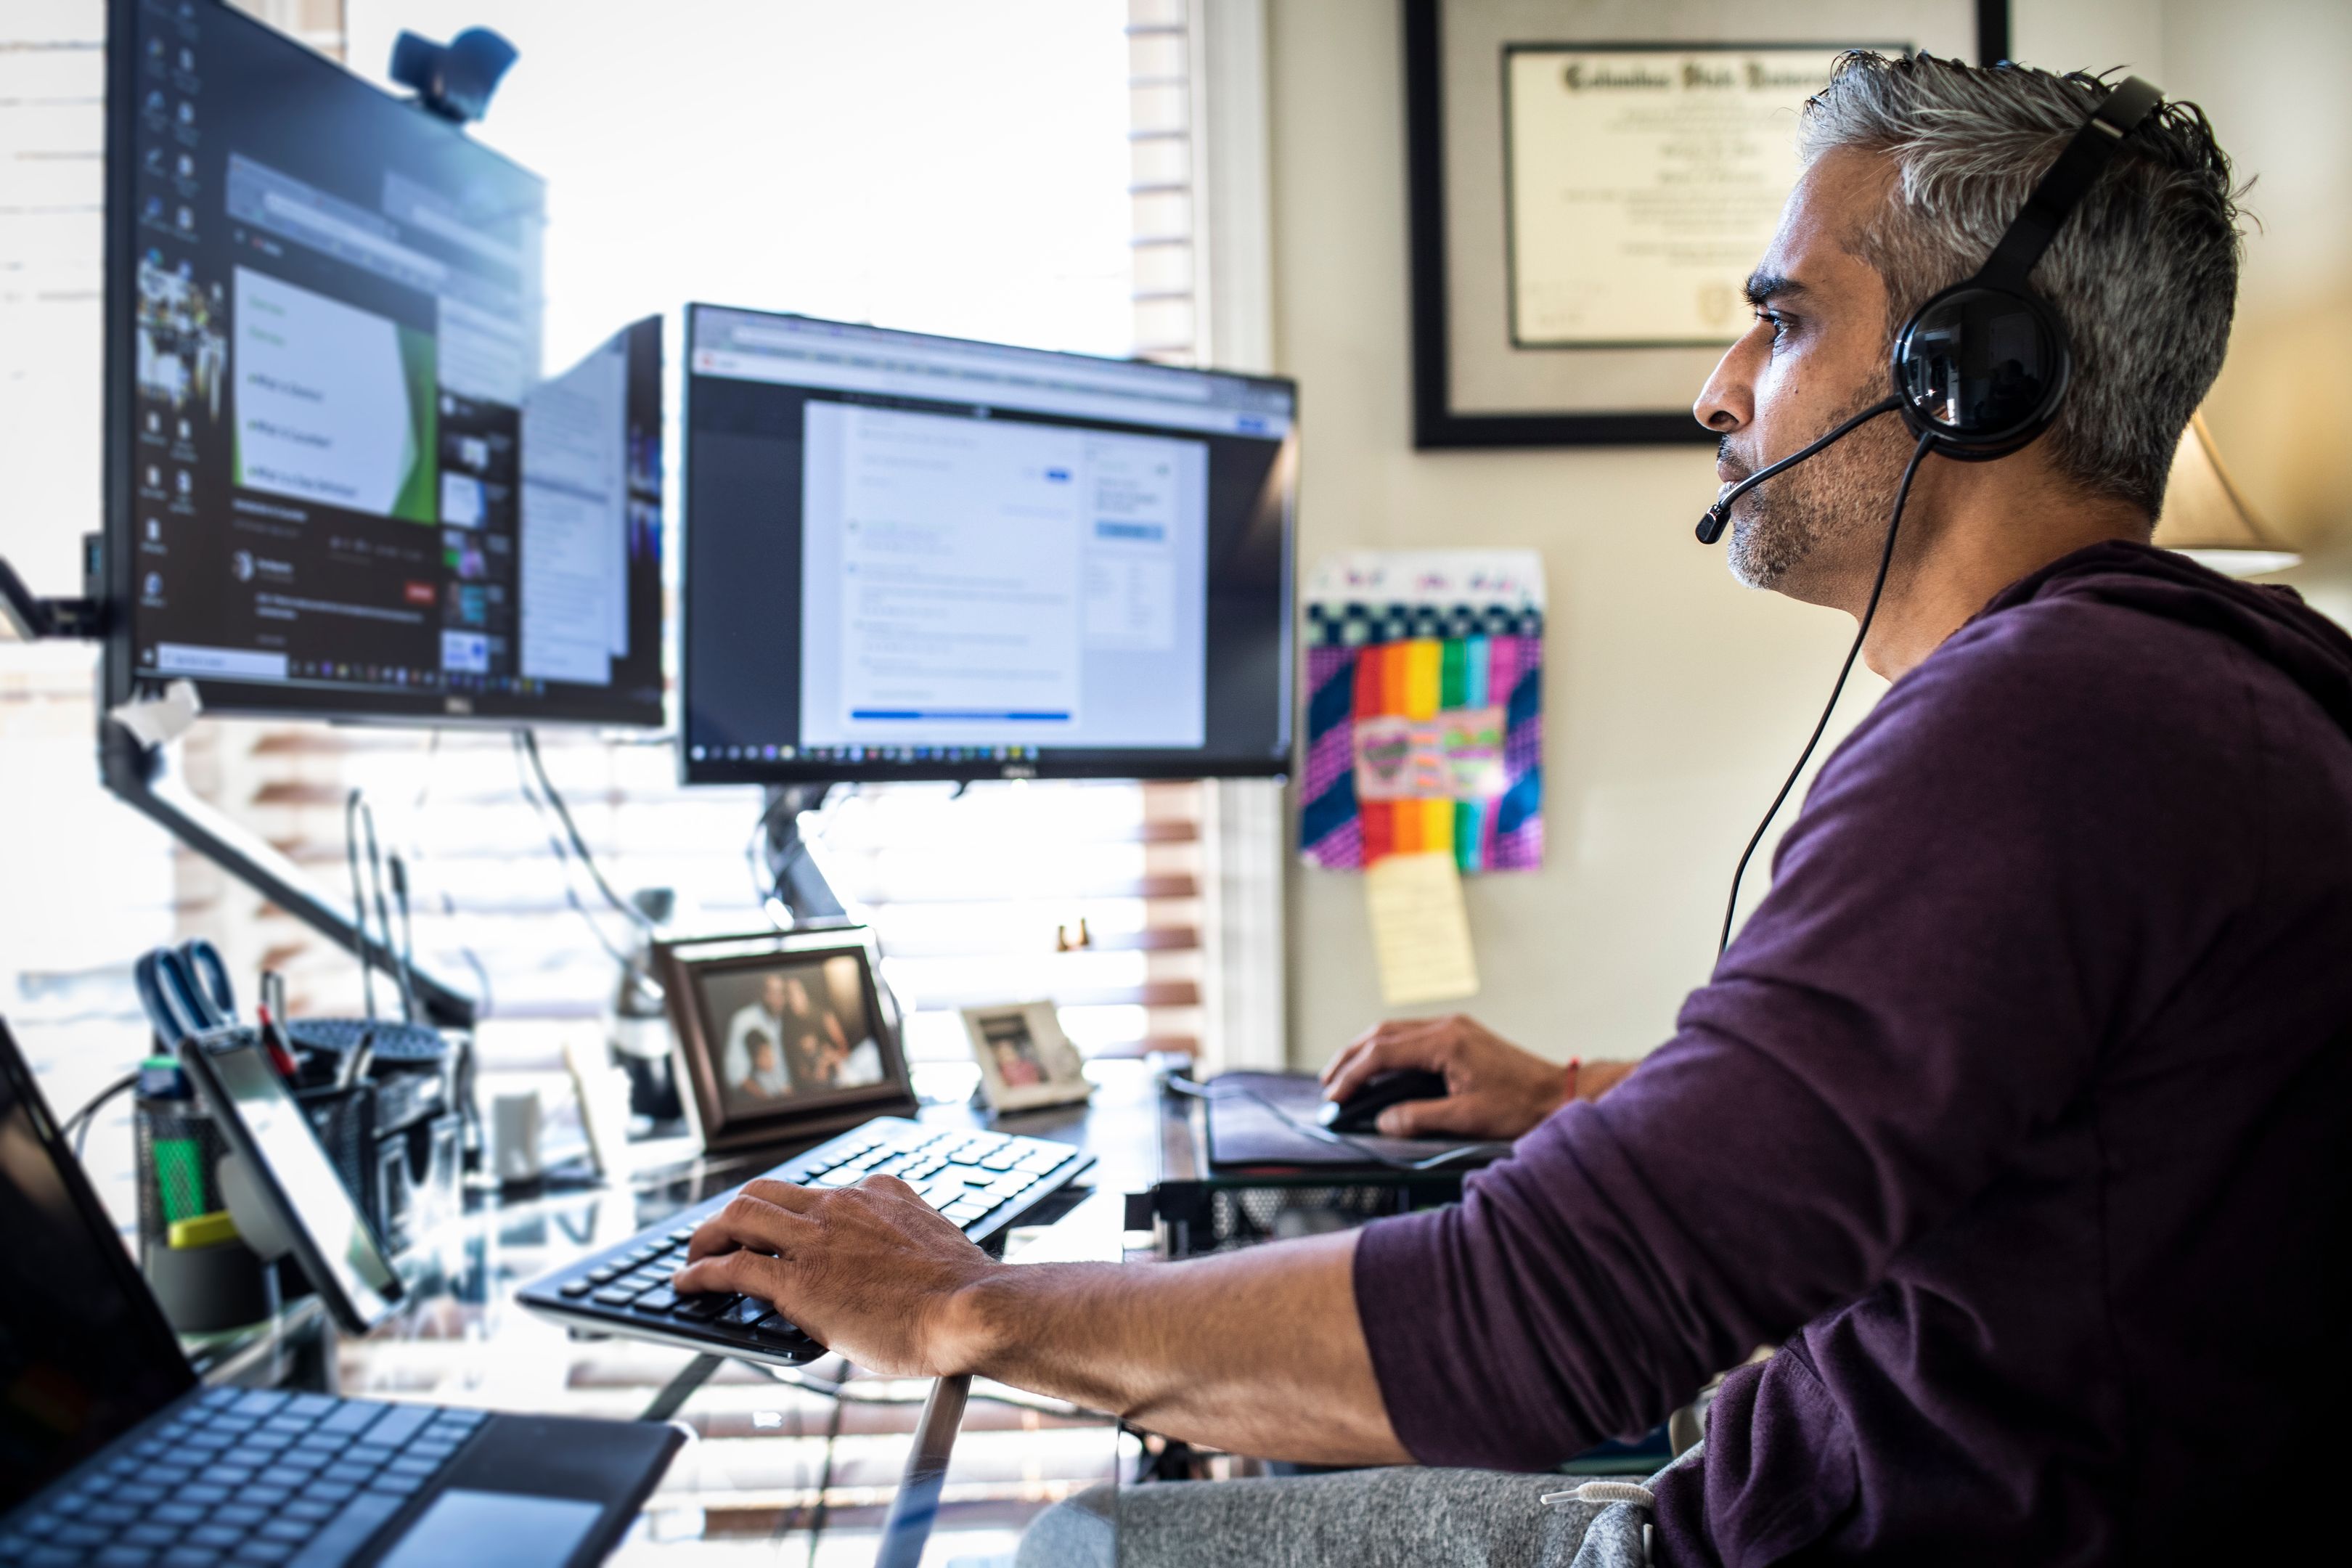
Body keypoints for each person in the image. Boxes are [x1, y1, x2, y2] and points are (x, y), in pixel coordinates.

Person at [672, 54, 2352, 1565]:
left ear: (1964, 373)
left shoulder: (2040, 733)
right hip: (1848, 1488)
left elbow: (1538, 1325)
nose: (1717, 390)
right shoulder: (2204, 695)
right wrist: (1570, 1093)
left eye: (1777, 320)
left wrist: (956, 1303)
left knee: (1093, 1543)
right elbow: (1999, 1113)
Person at [732, 1029, 790, 1103]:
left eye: (770, 1052)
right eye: (765, 1055)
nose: (770, 1058)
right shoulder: (752, 1086)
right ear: (754, 1059)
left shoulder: (776, 1075)